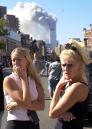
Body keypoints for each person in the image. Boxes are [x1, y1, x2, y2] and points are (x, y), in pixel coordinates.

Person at [49, 40, 91, 129]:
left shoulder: (77, 87)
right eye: (63, 65)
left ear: (80, 65)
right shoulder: (71, 82)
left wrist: (57, 87)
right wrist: (61, 113)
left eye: (70, 65)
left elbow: (52, 113)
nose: (66, 69)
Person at [3, 47, 45, 129]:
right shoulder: (9, 80)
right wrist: (24, 80)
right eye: (13, 60)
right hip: (16, 123)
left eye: (19, 59)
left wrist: (17, 104)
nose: (15, 63)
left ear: (27, 61)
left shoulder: (34, 79)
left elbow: (41, 105)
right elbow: (26, 102)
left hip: (33, 122)